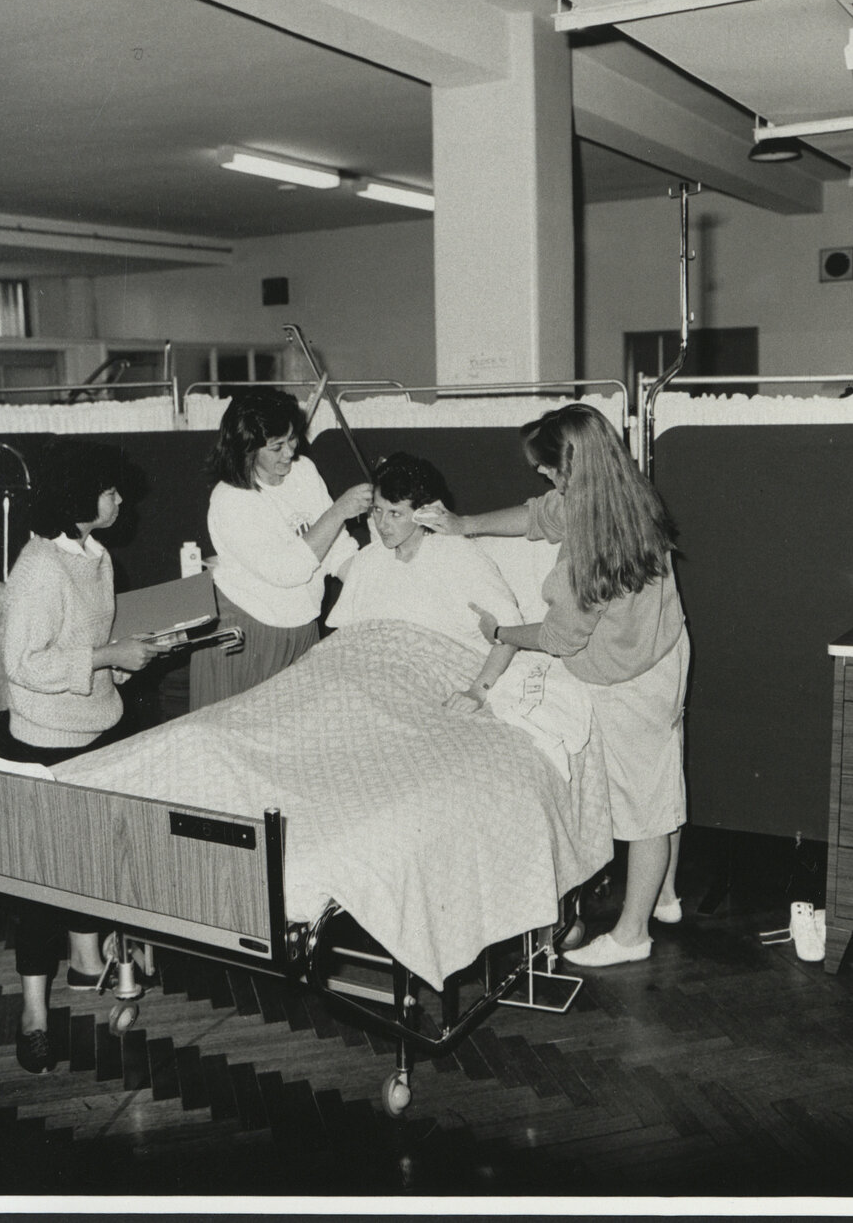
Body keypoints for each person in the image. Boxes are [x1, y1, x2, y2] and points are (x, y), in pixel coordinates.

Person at [415, 403, 689, 967]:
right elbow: (539, 516)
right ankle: (661, 893)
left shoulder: (590, 551)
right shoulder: (627, 492)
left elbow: (561, 637)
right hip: (667, 650)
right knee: (663, 778)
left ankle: (632, 934)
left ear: (570, 469)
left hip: (630, 679)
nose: (540, 475)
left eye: (545, 467)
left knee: (642, 809)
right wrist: (465, 525)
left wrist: (500, 631)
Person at [0, 439, 161, 1072]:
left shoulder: (96, 556)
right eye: (111, 490)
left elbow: (95, 645)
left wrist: (132, 659)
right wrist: (105, 659)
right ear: (78, 498)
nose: (119, 499)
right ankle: (33, 1012)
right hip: (48, 740)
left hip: (101, 725)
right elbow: (23, 665)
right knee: (40, 883)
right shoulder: (38, 568)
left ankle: (85, 962)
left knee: (98, 857)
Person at [189, 386, 372, 709]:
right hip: (248, 633)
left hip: (301, 627)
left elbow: (336, 549)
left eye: (292, 439)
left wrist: (374, 583)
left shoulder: (303, 471)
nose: (289, 452)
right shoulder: (231, 499)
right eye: (276, 447)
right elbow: (288, 570)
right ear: (247, 449)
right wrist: (338, 511)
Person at [326, 452, 523, 710]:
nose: (382, 524)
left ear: (424, 513)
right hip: (370, 679)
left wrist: (477, 691)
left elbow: (510, 632)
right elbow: (346, 639)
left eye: (395, 514)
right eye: (377, 510)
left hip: (438, 680)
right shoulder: (369, 560)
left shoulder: (459, 555)